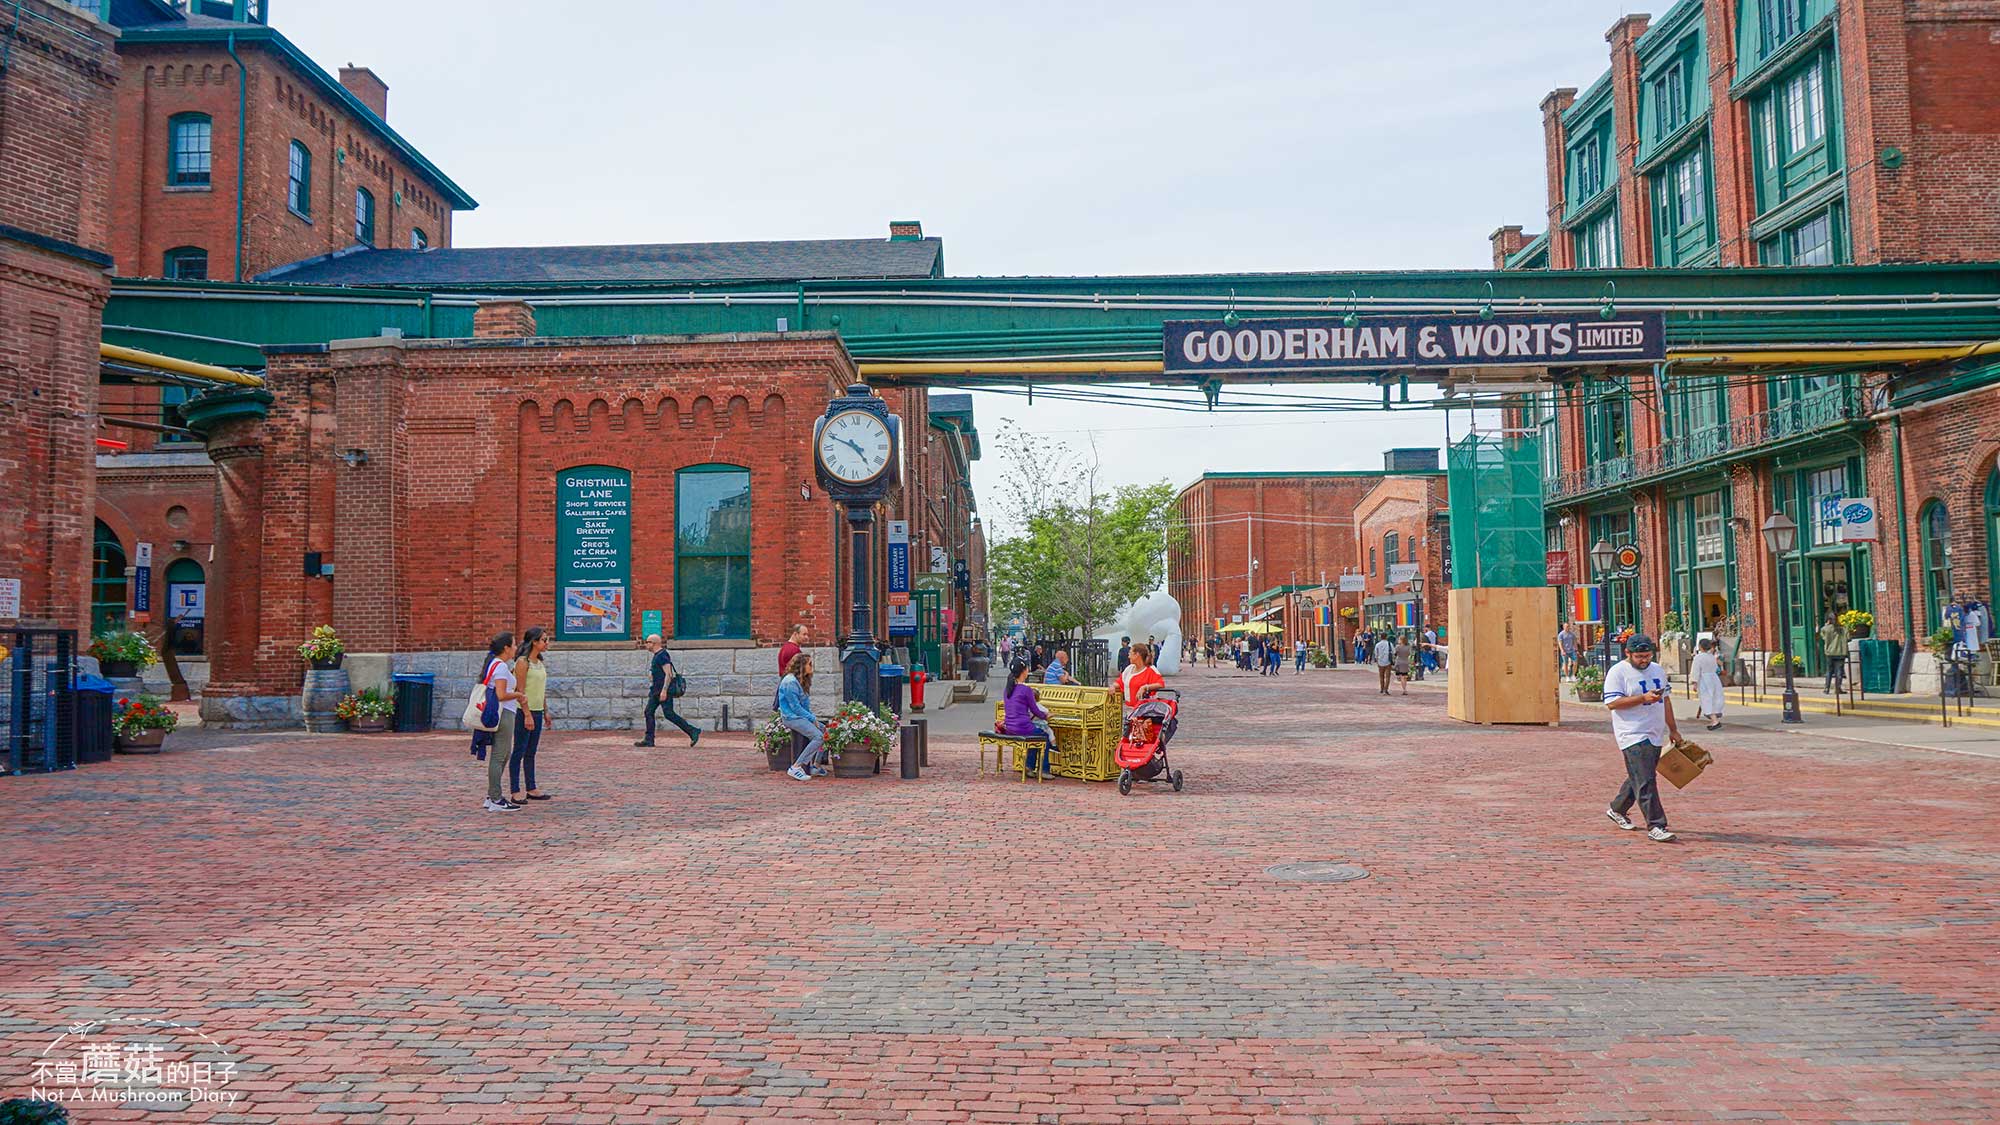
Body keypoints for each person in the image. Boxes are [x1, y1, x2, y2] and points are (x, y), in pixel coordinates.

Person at [1603, 634, 1680, 843]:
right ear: (1628, 653)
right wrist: (1642, 698)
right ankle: (1656, 825)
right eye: (1639, 656)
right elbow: (1612, 703)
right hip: (1631, 733)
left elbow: (1666, 701)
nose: (1644, 660)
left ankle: (1617, 808)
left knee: (1640, 775)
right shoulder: (1617, 672)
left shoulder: (1657, 670)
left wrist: (1673, 729)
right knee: (1646, 780)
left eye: (1647, 656)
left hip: (1655, 732)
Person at [479, 632, 524, 812]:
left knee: (504, 754)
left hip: (505, 711)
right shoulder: (501, 667)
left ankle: (492, 795)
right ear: (506, 648)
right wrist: (519, 695)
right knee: (500, 754)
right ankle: (496, 798)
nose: (515, 648)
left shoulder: (498, 665)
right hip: (504, 712)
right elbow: (501, 694)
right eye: (513, 645)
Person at [509, 626, 550, 805]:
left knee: (531, 752)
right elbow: (520, 690)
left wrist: (545, 711)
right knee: (519, 750)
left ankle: (531, 787)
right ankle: (515, 790)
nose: (547, 643)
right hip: (523, 712)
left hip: (537, 711)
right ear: (534, 641)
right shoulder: (522, 662)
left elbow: (541, 690)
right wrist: (526, 714)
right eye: (544, 640)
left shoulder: (539, 663)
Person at [635, 633, 700, 748]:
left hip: (663, 691)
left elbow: (669, 674)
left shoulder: (662, 655)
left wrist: (664, 691)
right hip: (655, 691)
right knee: (648, 712)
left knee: (669, 714)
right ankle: (649, 739)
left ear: (653, 643)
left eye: (647, 642)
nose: (646, 644)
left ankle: (693, 731)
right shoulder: (656, 656)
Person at [777, 652, 827, 781]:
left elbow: (804, 706)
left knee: (824, 731)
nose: (812, 667)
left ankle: (815, 765)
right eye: (809, 664)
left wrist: (812, 718)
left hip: (800, 716)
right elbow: (795, 708)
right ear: (801, 666)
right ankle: (796, 766)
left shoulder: (801, 681)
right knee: (818, 737)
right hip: (791, 718)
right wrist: (811, 719)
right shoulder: (790, 682)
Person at [1001, 661, 1055, 777]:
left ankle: (1029, 766)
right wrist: (1046, 715)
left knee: (1035, 733)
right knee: (1044, 736)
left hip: (1010, 727)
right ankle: (1044, 770)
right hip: (1022, 727)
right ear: (1024, 672)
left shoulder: (1007, 690)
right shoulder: (1026, 690)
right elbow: (1035, 710)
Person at [1689, 635, 1724, 731]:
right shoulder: (1712, 657)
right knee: (1714, 698)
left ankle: (1714, 720)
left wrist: (1694, 682)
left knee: (1706, 699)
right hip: (1714, 678)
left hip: (1704, 679)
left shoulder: (1698, 658)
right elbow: (1716, 668)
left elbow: (1695, 670)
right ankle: (1714, 719)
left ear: (1700, 647)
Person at [1116, 642, 1165, 707]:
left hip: (1146, 709)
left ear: (1137, 655)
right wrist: (1112, 687)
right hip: (1130, 708)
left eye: (1130, 653)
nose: (1128, 656)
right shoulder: (1129, 668)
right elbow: (1120, 682)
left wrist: (1145, 687)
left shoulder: (1151, 669)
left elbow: (1160, 684)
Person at [774, 622, 807, 709]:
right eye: (804, 634)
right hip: (792, 687)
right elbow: (797, 672)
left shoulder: (785, 648)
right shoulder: (794, 651)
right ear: (795, 634)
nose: (806, 637)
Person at [1818, 611, 1849, 693]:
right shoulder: (1843, 629)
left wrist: (1827, 625)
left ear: (1828, 619)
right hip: (1841, 652)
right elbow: (1849, 637)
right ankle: (1837, 688)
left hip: (1830, 652)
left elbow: (1823, 637)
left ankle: (1826, 688)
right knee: (1839, 671)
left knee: (1829, 671)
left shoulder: (1825, 629)